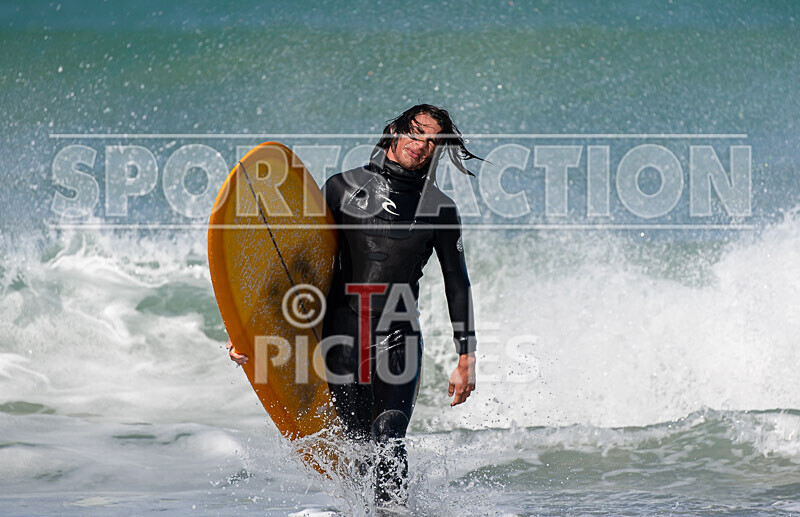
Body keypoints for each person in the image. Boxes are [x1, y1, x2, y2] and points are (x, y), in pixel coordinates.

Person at [228, 104, 480, 509]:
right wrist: (249, 329)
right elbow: (297, 267)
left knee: (389, 436)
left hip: (400, 338)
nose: (421, 146)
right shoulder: (341, 189)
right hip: (340, 340)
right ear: (396, 130)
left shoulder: (440, 209)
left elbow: (458, 284)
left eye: (432, 142)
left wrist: (466, 356)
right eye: (415, 133)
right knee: (360, 451)